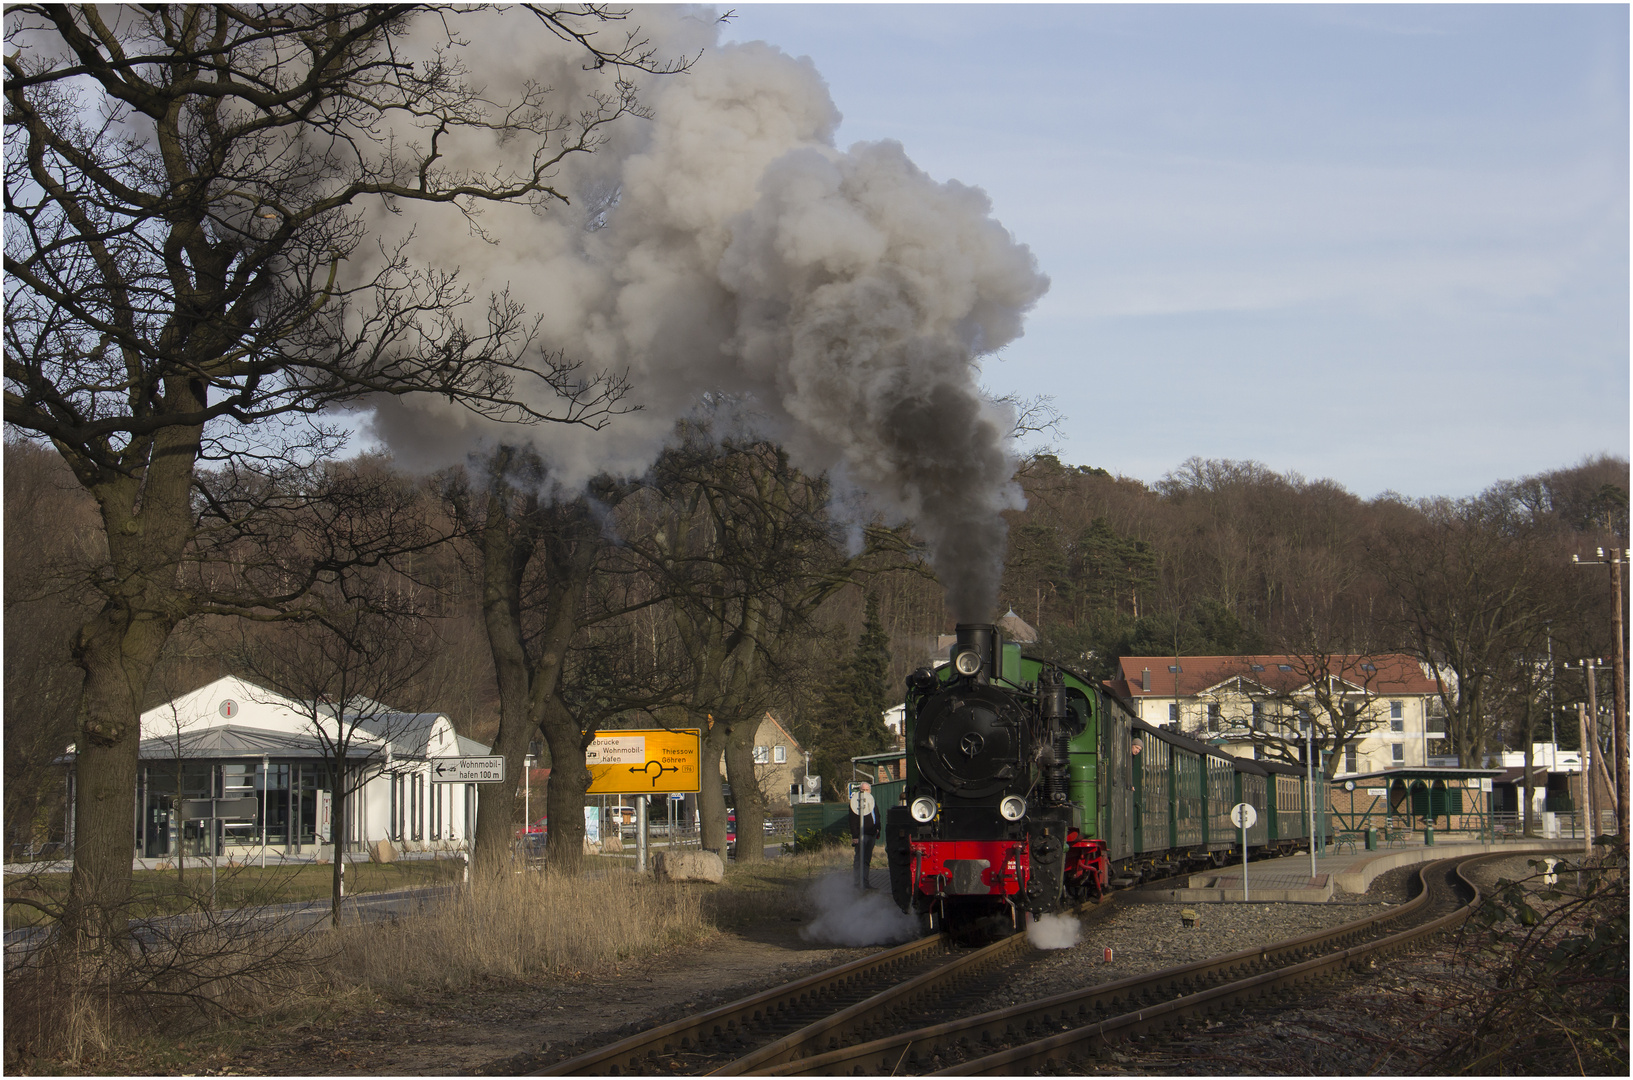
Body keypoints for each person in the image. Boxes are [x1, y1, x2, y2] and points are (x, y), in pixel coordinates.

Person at [849, 781, 880, 889]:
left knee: (867, 860)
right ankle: (858, 883)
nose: (865, 792)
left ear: (870, 791)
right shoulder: (855, 803)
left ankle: (865, 883)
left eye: (867, 790)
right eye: (863, 790)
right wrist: (855, 836)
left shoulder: (872, 801)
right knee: (859, 860)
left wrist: (878, 829)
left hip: (871, 835)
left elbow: (877, 816)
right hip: (861, 835)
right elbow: (852, 821)